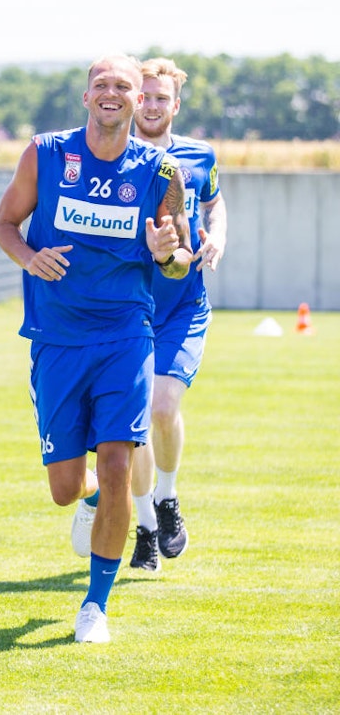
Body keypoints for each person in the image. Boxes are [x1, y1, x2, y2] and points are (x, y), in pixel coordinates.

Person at [0, 54, 192, 643]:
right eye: (101, 84)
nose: (111, 93)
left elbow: (180, 262)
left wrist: (166, 253)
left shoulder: (162, 172)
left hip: (127, 335)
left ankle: (95, 607)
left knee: (117, 464)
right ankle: (95, 499)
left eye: (122, 86)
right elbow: (5, 224)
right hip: (57, 338)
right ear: (86, 97)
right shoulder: (45, 154)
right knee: (65, 488)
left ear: (138, 99)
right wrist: (29, 257)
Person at [127, 57, 228, 571]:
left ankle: (167, 498)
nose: (151, 105)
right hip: (127, 309)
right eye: (143, 96)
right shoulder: (112, 158)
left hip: (183, 307)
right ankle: (145, 527)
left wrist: (218, 237)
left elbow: (214, 203)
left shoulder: (199, 155)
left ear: (176, 105)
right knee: (133, 424)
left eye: (161, 98)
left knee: (163, 407)